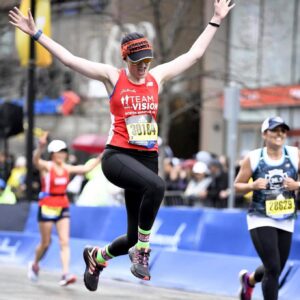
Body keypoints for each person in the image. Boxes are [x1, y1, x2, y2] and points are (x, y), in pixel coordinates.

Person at [8, 0, 235, 291]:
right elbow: (69, 59)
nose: (143, 68)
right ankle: (142, 250)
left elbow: (194, 54)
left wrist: (215, 19)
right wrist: (37, 35)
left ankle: (97, 257)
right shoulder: (111, 76)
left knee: (132, 235)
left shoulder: (157, 78)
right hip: (117, 156)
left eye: (147, 62)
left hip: (146, 159)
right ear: (126, 59)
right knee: (157, 188)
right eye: (138, 62)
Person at [234, 116, 300, 300]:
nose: (279, 134)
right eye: (274, 130)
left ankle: (250, 280)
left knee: (276, 267)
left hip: (286, 216)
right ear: (265, 134)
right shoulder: (254, 157)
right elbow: (237, 185)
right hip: (260, 217)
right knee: (273, 268)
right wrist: (252, 186)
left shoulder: (295, 154)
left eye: (283, 130)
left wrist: (297, 185)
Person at [28, 132, 101, 286]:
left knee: (64, 241)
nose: (61, 154)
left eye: (63, 151)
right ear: (53, 154)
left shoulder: (67, 168)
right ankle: (35, 263)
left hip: (62, 205)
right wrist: (40, 148)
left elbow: (86, 168)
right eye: (58, 152)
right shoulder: (47, 167)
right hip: (47, 205)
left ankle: (65, 274)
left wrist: (103, 155)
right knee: (45, 243)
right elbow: (36, 161)